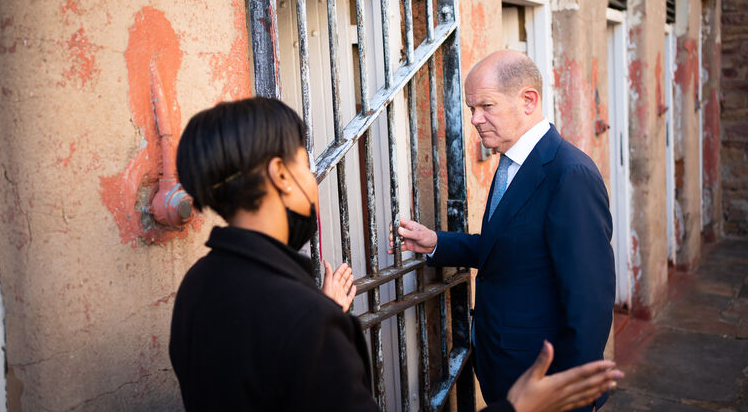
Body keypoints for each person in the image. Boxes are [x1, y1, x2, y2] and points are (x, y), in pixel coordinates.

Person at [168, 97, 622, 411]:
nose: (313, 179)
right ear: (281, 177)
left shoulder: (198, 284)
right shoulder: (304, 318)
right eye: (306, 163)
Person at [390, 50, 616, 411]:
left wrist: (572, 395)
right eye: (471, 108)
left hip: (544, 385)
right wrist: (436, 243)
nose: (475, 119)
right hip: (504, 369)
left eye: (486, 106)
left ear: (528, 100)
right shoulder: (511, 161)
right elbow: (510, 249)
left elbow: (589, 303)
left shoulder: (570, 174)